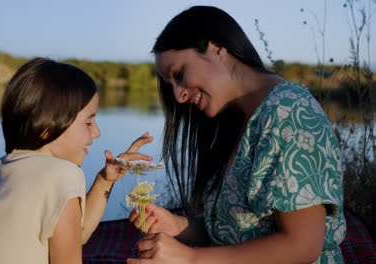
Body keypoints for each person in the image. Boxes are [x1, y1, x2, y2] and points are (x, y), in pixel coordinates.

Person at [128, 6, 346, 264]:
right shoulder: (239, 119)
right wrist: (177, 226)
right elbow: (234, 231)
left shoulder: (289, 112)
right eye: (171, 85)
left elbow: (302, 245)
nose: (178, 96)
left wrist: (190, 259)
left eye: (179, 74)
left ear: (217, 49)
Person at [0, 57, 154, 264]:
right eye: (89, 122)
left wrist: (105, 179)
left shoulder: (6, 166)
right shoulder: (63, 174)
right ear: (48, 128)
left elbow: (75, 235)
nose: (97, 132)